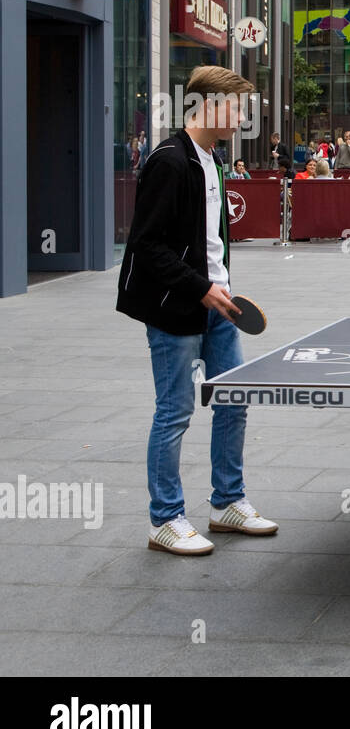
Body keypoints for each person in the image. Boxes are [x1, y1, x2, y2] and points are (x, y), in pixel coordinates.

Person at [116, 65, 278, 555]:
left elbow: (208, 241)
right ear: (207, 105)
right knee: (175, 411)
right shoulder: (168, 160)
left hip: (218, 305)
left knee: (234, 401)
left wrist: (220, 289)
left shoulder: (213, 157)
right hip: (175, 309)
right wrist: (201, 288)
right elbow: (146, 245)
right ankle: (164, 519)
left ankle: (227, 502)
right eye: (237, 107)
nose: (243, 117)